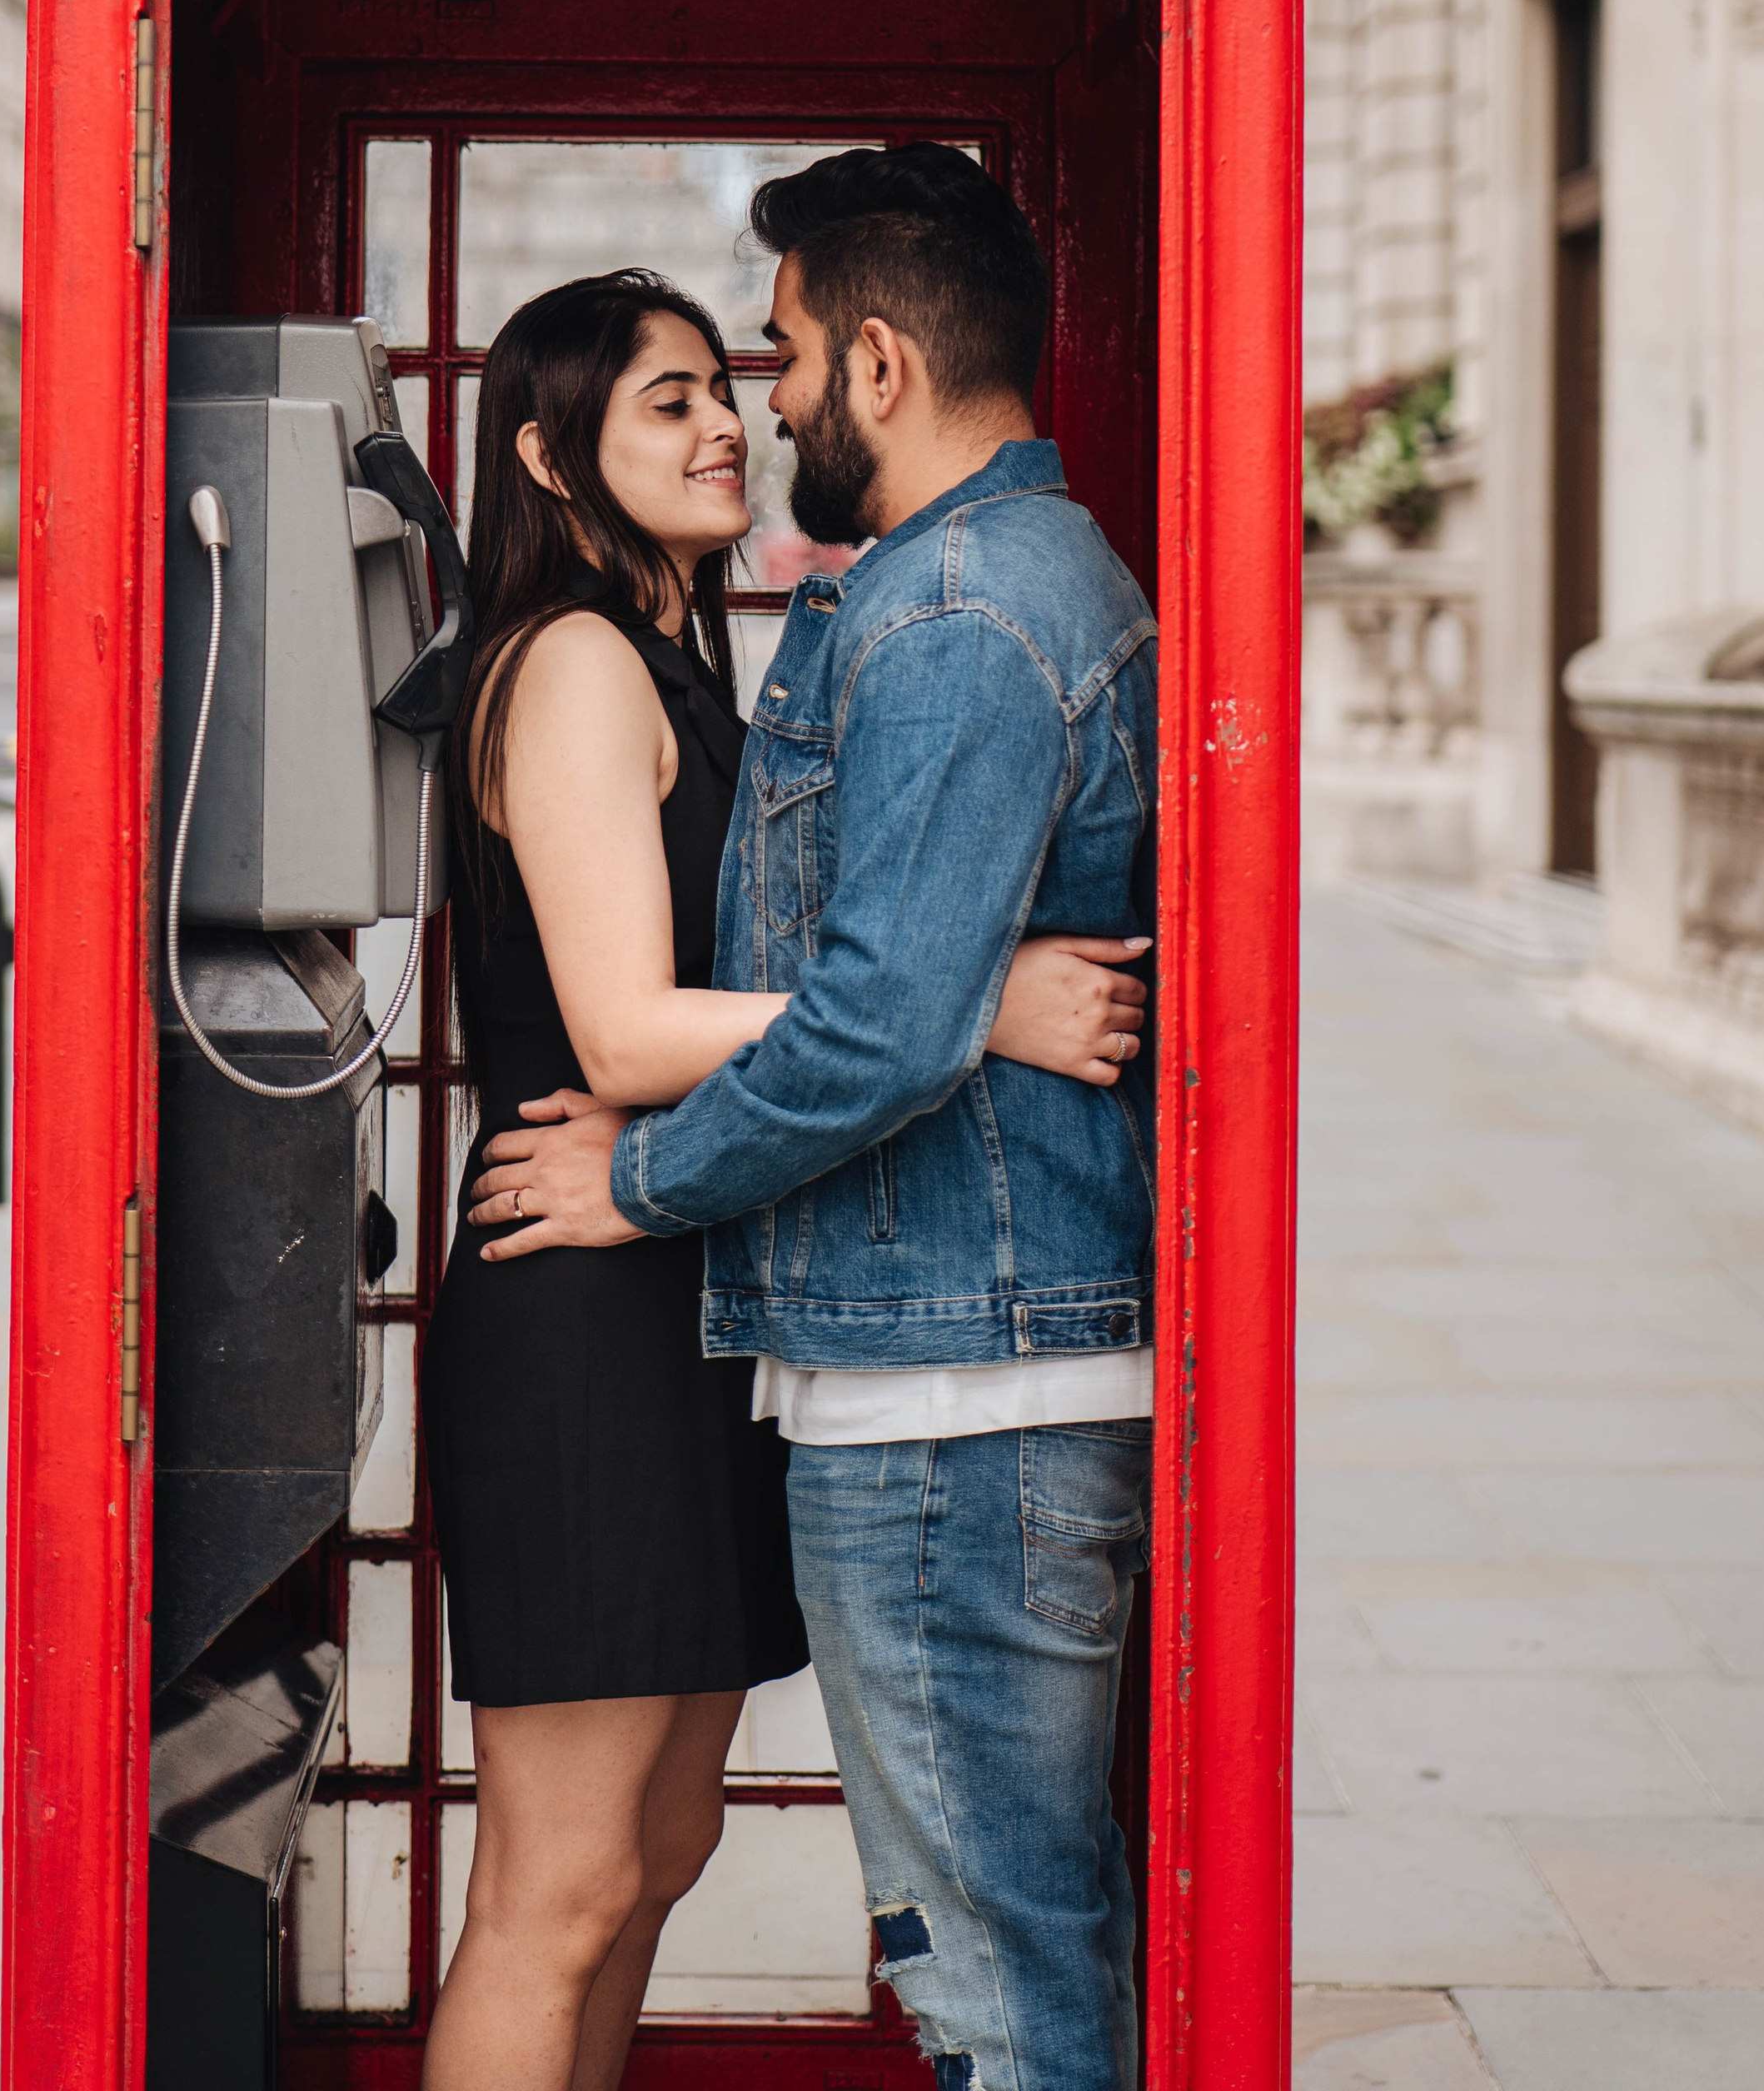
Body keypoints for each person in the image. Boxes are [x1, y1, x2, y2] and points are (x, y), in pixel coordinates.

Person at [470, 151, 1159, 2091]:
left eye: (751, 366)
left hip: (819, 1329)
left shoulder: (897, 622)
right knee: (578, 1887)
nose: (746, 416)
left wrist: (679, 1170)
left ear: (872, 365)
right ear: (548, 458)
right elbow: (685, 1023)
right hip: (681, 1310)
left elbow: (870, 1008)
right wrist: (965, 1003)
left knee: (712, 1885)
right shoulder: (630, 654)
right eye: (675, 395)